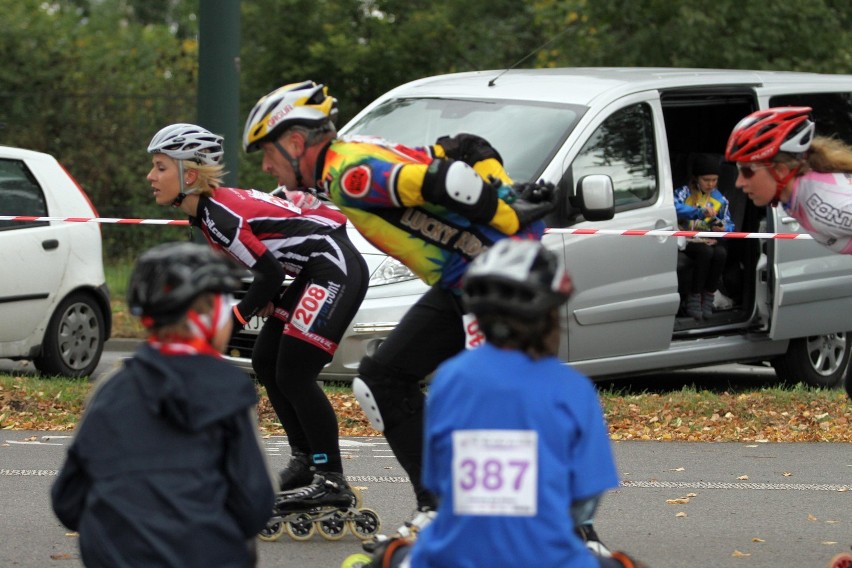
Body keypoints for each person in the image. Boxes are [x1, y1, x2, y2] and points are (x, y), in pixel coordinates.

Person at [242, 81, 562, 539]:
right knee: (383, 379)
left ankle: (556, 529)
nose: (266, 165)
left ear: (295, 143)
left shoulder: (346, 173)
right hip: (466, 280)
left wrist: (509, 212)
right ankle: (441, 507)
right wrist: (506, 191)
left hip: (495, 279)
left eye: (266, 152)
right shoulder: (359, 149)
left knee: (486, 404)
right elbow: (468, 147)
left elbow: (445, 181)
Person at [352, 239, 646, 568]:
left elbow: (438, 482)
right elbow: (583, 503)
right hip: (546, 558)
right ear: (547, 316)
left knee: (390, 559)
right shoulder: (573, 390)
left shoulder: (450, 380)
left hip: (447, 555)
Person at [145, 123, 370, 506]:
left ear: (190, 174)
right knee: (266, 361)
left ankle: (331, 479)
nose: (151, 176)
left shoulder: (217, 211)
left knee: (295, 372)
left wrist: (236, 318)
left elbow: (269, 273)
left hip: (333, 267)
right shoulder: (204, 212)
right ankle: (304, 461)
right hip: (314, 268)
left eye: (161, 167)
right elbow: (263, 265)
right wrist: (258, 297)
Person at [51, 242, 275, 567]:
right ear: (207, 316)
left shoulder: (112, 387)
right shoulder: (230, 389)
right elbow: (255, 504)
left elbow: (67, 502)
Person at [725, 106, 852, 399]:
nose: (739, 183)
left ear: (781, 170)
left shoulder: (821, 204)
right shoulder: (802, 193)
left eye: (746, 171)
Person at [673, 153, 735, 320]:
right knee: (705, 253)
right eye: (706, 180)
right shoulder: (683, 193)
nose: (711, 184)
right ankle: (693, 298)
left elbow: (729, 224)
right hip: (687, 240)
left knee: (720, 253)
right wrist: (698, 212)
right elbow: (674, 208)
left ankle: (707, 299)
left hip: (708, 239)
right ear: (696, 178)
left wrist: (722, 228)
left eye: (714, 180)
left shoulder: (720, 199)